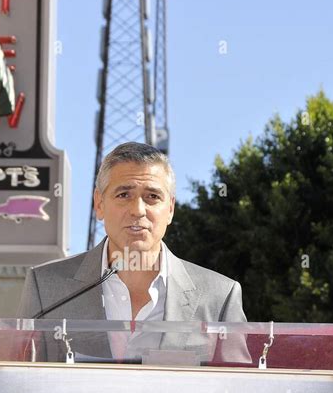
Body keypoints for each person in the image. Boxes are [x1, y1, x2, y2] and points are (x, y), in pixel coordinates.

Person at [17, 142, 248, 361]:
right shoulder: (46, 288)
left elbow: (239, 392)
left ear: (170, 209)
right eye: (124, 194)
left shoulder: (220, 297)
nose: (138, 210)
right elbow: (17, 385)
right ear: (99, 204)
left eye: (152, 197)